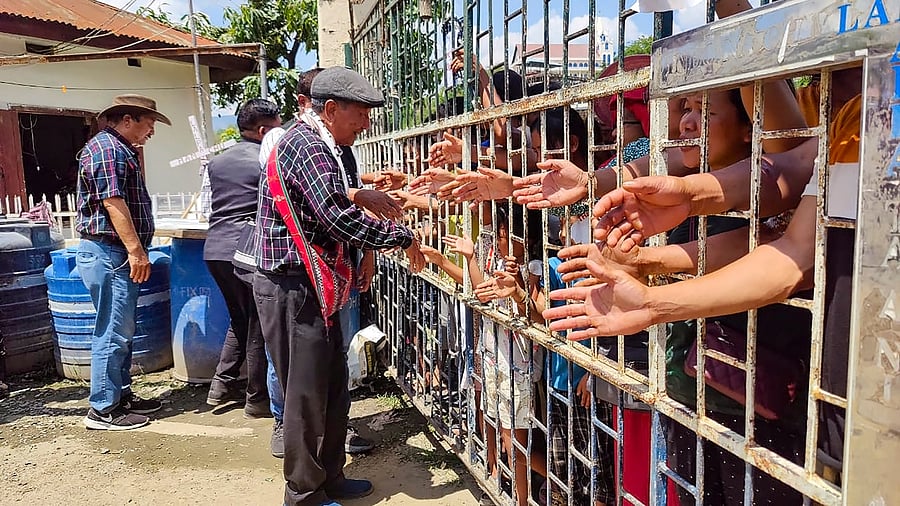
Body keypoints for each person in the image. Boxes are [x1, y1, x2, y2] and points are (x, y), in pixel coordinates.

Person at [253, 66, 425, 506]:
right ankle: (304, 492)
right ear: (330, 109)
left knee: (330, 386)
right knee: (306, 394)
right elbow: (333, 218)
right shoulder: (307, 145)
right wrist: (402, 238)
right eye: (359, 116)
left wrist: (359, 194)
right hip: (292, 286)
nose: (365, 125)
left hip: (311, 285)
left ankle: (329, 476)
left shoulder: (321, 144)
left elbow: (332, 201)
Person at [76, 94, 169, 430]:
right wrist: (136, 250)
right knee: (113, 331)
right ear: (128, 120)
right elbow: (113, 203)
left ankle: (120, 395)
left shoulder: (117, 150)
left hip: (113, 252)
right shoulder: (108, 150)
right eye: (149, 124)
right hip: (110, 251)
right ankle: (102, 409)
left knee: (123, 329)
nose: (151, 132)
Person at [203, 99, 281, 419]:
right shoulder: (266, 161)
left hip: (215, 249)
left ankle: (220, 386)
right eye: (277, 127)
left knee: (241, 319)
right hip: (247, 252)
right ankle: (256, 399)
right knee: (260, 328)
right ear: (263, 130)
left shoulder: (217, 162)